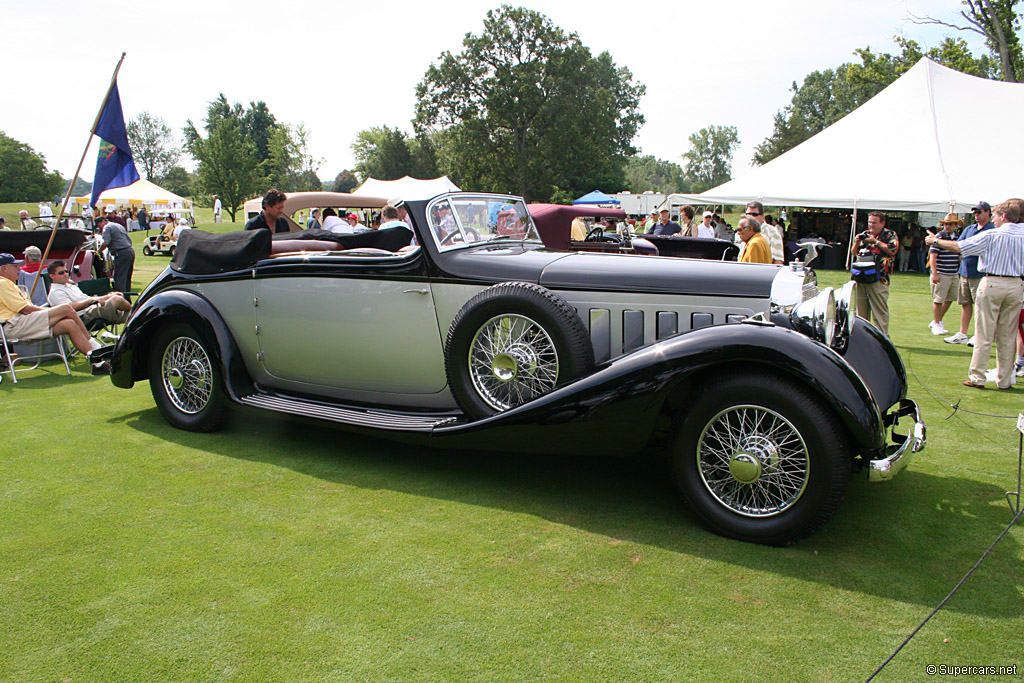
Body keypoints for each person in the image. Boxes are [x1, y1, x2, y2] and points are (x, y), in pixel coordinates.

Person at [927, 199, 1024, 389]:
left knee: (984, 333)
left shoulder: (991, 235)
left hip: (992, 282)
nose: (993, 220)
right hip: (1016, 284)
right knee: (1008, 334)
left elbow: (960, 247)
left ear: (1003, 216)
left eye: (995, 216)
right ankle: (1004, 380)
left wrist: (935, 241)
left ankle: (977, 377)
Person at [0, 253, 110, 374]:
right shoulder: (2, 283)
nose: (19, 269)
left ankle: (98, 364)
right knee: (66, 308)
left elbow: (28, 309)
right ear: (4, 268)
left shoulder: (9, 284)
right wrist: (51, 311)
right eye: (15, 266)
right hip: (13, 325)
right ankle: (96, 347)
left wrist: (51, 311)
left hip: (24, 322)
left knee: (69, 324)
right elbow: (25, 309)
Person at [944, 201, 995, 345]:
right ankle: (963, 333)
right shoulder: (969, 229)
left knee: (981, 307)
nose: (977, 216)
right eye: (975, 213)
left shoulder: (991, 230)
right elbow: (959, 246)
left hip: (980, 274)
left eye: (979, 212)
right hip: (965, 271)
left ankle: (980, 335)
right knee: (965, 303)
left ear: (988, 213)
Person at [849, 211, 898, 336]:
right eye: (870, 222)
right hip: (861, 277)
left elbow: (892, 250)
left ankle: (882, 337)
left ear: (882, 223)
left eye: (874, 222)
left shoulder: (890, 235)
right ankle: (863, 336)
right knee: (861, 311)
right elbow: (854, 253)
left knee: (879, 311)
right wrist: (856, 242)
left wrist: (875, 242)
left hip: (879, 278)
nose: (871, 225)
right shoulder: (865, 234)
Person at [47, 260, 131, 327]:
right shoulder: (55, 292)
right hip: (83, 317)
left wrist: (109, 296)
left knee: (117, 299)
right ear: (52, 276)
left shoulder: (70, 286)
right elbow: (68, 308)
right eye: (61, 273)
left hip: (92, 309)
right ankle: (135, 312)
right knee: (117, 300)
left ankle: (134, 315)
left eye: (66, 271)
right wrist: (90, 300)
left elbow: (87, 299)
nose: (65, 274)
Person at [927, 213, 963, 336]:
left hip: (953, 272)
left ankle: (937, 320)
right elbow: (933, 256)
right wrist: (935, 273)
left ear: (955, 225)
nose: (947, 226)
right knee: (939, 299)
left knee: (950, 298)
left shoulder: (957, 237)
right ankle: (937, 323)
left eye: (950, 224)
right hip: (942, 272)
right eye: (946, 224)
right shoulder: (939, 236)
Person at [99, 215, 135, 294]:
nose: (100, 228)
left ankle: (120, 298)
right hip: (129, 250)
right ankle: (126, 298)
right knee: (126, 277)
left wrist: (98, 251)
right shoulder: (118, 225)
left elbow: (105, 242)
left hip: (121, 252)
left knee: (119, 277)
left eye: (99, 225)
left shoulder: (107, 228)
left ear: (102, 222)